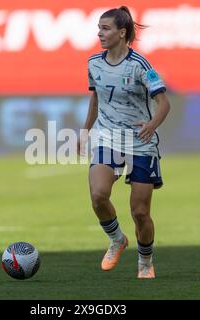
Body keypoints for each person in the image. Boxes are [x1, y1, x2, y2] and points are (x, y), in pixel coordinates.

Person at [77, 6, 171, 279]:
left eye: (105, 29)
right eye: (98, 28)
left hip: (141, 143)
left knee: (140, 212)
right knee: (98, 195)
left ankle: (145, 261)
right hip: (107, 137)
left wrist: (152, 125)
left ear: (121, 32)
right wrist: (86, 131)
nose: (100, 33)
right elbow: (96, 98)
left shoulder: (141, 65)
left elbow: (163, 103)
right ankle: (117, 239)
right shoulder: (93, 63)